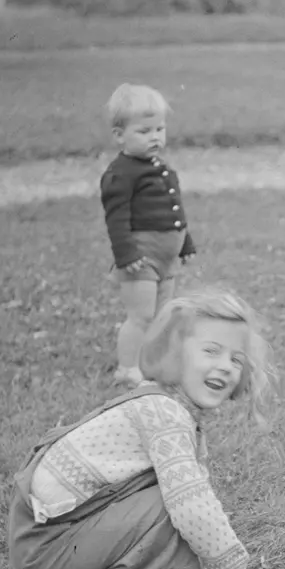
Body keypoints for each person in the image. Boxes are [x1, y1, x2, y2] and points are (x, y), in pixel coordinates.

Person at [8, 290, 273, 569]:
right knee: (176, 500)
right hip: (46, 551)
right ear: (174, 353)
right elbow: (193, 509)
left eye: (236, 359)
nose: (225, 365)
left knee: (182, 491)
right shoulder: (164, 414)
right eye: (211, 350)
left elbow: (199, 493)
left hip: (47, 544)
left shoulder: (167, 405)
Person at [100, 83, 197, 387]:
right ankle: (127, 368)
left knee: (161, 315)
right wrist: (126, 255)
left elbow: (174, 211)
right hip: (141, 258)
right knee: (141, 315)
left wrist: (185, 243)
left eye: (159, 129)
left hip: (167, 258)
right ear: (120, 135)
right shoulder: (121, 174)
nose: (155, 137)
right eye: (144, 131)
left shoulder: (161, 168)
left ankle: (150, 364)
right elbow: (116, 219)